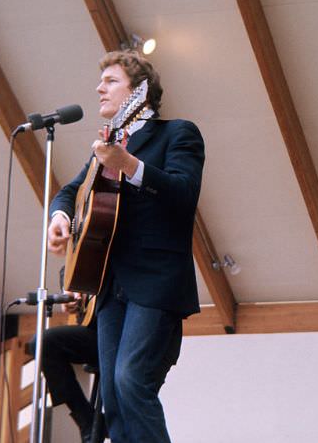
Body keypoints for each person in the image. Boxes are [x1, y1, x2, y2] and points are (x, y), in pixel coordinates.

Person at [47, 49, 204, 443]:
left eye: (111, 81)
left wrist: (129, 165)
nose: (100, 88)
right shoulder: (104, 148)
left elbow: (184, 193)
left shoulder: (178, 132)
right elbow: (69, 192)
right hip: (109, 287)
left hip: (155, 281)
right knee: (113, 399)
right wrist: (60, 218)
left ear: (141, 93)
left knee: (131, 380)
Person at [27, 290, 99, 443]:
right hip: (93, 331)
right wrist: (69, 294)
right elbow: (67, 273)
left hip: (120, 328)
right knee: (42, 343)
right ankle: (85, 419)